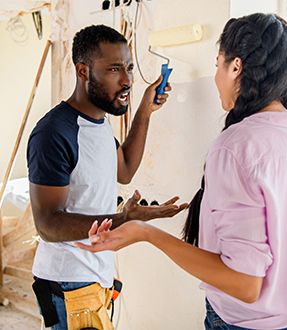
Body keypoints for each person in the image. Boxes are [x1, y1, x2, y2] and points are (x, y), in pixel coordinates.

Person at [75, 13, 287, 330]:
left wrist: (146, 233)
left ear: (235, 67)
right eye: (115, 69)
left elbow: (245, 285)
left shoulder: (236, 148)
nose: (216, 77)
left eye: (217, 64)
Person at [27, 24, 187, 330]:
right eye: (114, 69)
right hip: (68, 282)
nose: (127, 80)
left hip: (95, 276)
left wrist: (145, 111)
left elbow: (124, 169)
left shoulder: (99, 122)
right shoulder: (54, 133)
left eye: (128, 67)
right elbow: (47, 225)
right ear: (83, 71)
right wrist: (122, 219)